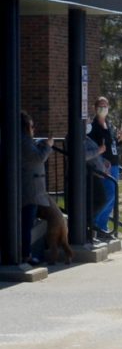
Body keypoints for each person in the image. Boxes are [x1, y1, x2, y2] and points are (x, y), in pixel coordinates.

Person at [19, 111, 54, 266]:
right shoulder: (24, 141)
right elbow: (38, 158)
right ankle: (25, 255)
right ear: (26, 127)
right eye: (32, 126)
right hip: (29, 190)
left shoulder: (24, 141)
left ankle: (25, 253)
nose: (34, 129)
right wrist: (48, 146)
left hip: (29, 189)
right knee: (26, 224)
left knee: (27, 223)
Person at [88, 96, 122, 240]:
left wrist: (119, 141)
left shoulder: (109, 125)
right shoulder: (93, 127)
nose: (103, 108)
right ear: (95, 108)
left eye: (105, 106)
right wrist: (100, 156)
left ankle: (104, 227)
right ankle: (95, 224)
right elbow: (92, 146)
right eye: (100, 106)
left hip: (115, 165)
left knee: (113, 198)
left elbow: (111, 145)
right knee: (107, 195)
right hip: (104, 167)